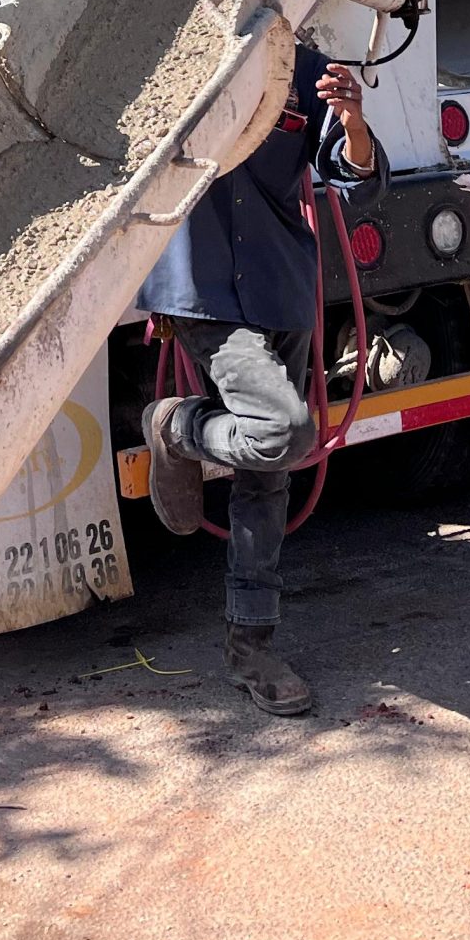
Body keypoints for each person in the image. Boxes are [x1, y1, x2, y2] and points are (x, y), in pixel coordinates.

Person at [137, 43, 382, 716]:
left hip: (280, 286)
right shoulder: (167, 59)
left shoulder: (307, 71)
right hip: (201, 289)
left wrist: (354, 123)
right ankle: (176, 426)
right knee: (282, 431)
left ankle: (252, 648)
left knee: (267, 480)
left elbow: (354, 179)